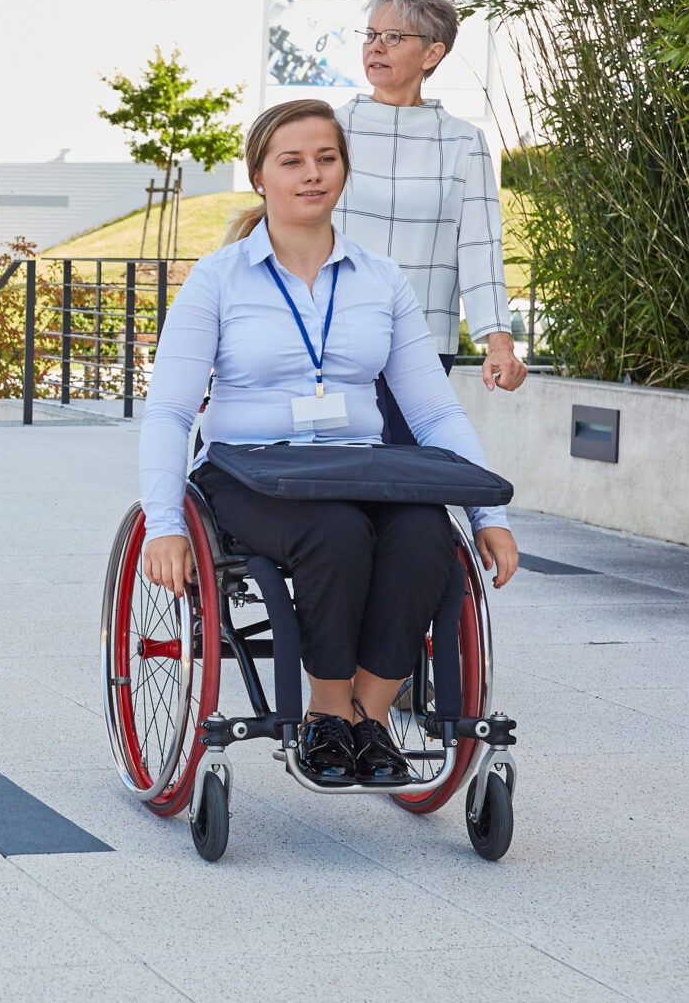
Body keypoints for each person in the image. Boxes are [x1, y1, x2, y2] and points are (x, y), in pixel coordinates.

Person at [141, 99, 518, 786]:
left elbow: (434, 413)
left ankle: (364, 721)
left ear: (344, 169)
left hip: (359, 467)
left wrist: (487, 516)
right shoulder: (218, 279)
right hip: (248, 474)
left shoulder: (381, 279)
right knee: (337, 532)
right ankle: (323, 713)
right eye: (292, 161)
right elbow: (168, 411)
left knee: (425, 535)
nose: (312, 174)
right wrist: (165, 524)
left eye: (326, 158)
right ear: (260, 175)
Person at [336, 0, 528, 441]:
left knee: (399, 477)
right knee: (335, 473)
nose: (375, 48)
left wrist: (498, 341)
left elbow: (479, 247)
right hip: (333, 335)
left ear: (431, 54)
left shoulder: (464, 141)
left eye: (394, 37)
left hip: (421, 342)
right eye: (371, 35)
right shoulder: (329, 129)